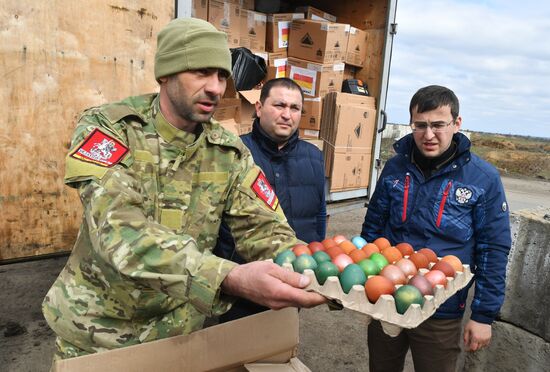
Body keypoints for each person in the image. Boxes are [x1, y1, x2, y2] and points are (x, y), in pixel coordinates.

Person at [42, 18, 325, 361]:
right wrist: (229, 277)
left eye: (222, 76)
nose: (216, 88)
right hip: (99, 338)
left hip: (180, 338)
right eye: (201, 72)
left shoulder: (227, 150)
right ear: (166, 73)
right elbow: (119, 230)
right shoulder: (110, 129)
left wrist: (320, 271)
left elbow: (264, 227)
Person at [361, 85, 511, 372]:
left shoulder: (482, 179)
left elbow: (493, 249)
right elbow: (373, 230)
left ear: (457, 124)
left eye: (438, 125)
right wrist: (365, 282)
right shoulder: (395, 168)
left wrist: (483, 315)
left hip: (441, 309)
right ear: (411, 124)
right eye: (420, 125)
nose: (428, 135)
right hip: (387, 299)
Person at [214, 78, 326, 321]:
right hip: (242, 291)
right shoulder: (233, 153)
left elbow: (318, 216)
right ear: (259, 108)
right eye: (279, 105)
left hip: (292, 287)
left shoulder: (314, 157)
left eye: (294, 108)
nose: (287, 114)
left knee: (280, 353)